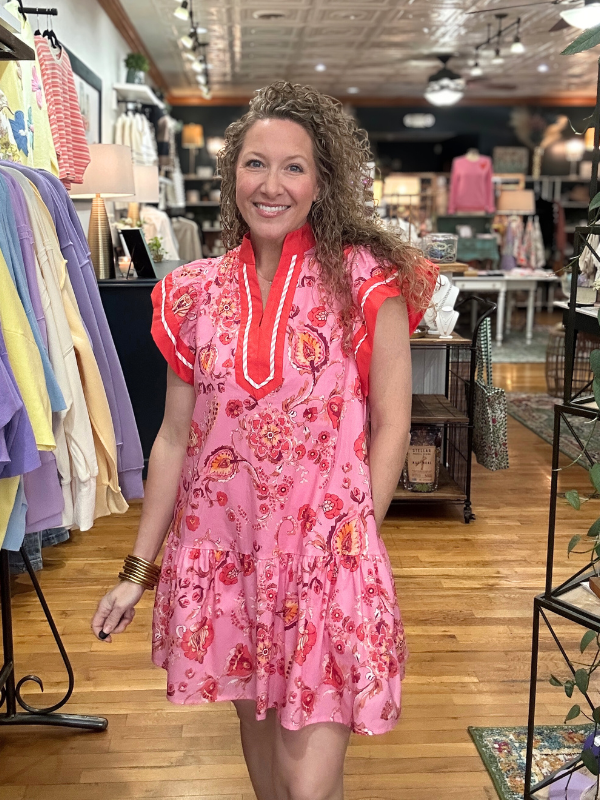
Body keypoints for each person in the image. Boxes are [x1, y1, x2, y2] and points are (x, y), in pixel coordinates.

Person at [92, 81, 437, 800]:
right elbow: (175, 438)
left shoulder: (370, 283)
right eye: (255, 163)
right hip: (226, 561)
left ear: (322, 181)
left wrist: (358, 538)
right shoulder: (194, 293)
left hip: (326, 565)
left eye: (293, 166)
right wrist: (137, 571)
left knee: (307, 785)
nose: (271, 184)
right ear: (232, 175)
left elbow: (393, 423)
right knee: (268, 778)